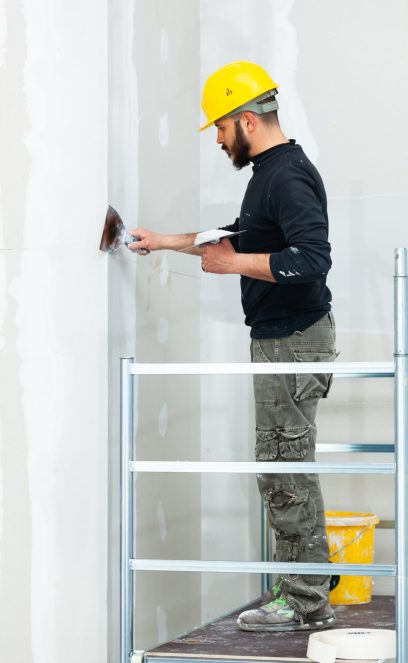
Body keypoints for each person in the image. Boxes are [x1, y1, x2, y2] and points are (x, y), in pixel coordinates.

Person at [128, 61, 338, 633]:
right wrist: (167, 241)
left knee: (283, 467)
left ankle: (305, 599)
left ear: (247, 120)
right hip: (284, 341)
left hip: (292, 342)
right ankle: (310, 587)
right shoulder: (269, 174)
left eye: (220, 128)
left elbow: (311, 260)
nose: (218, 140)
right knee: (282, 466)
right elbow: (244, 238)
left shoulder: (287, 174)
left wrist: (232, 264)